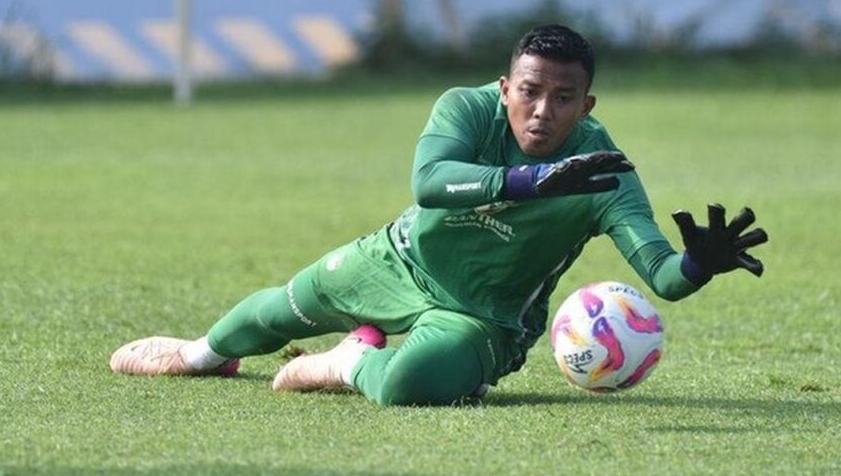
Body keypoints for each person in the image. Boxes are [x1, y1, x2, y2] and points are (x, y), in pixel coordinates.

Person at [110, 24, 768, 405]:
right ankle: (198, 356)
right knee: (272, 313)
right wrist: (532, 180)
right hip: (397, 260)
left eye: (564, 98)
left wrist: (697, 265)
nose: (543, 111)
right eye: (530, 91)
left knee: (406, 386)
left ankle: (346, 362)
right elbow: (430, 183)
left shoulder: (603, 174)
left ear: (586, 105)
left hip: (484, 318)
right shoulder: (467, 107)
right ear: (505, 88)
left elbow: (662, 276)